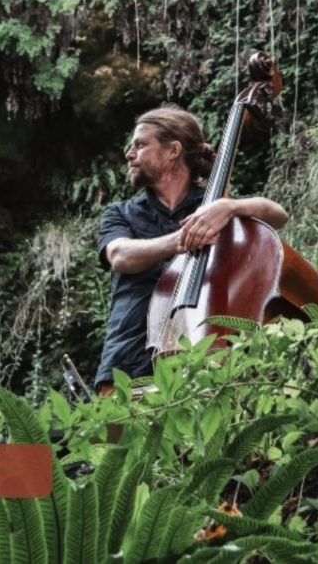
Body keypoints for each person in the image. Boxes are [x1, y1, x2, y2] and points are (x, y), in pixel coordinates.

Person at [94, 104, 289, 395]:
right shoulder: (120, 213)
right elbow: (120, 256)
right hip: (127, 364)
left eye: (140, 144)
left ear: (173, 150)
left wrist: (230, 206)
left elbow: (278, 215)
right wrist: (181, 240)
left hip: (201, 361)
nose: (129, 154)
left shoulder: (213, 209)